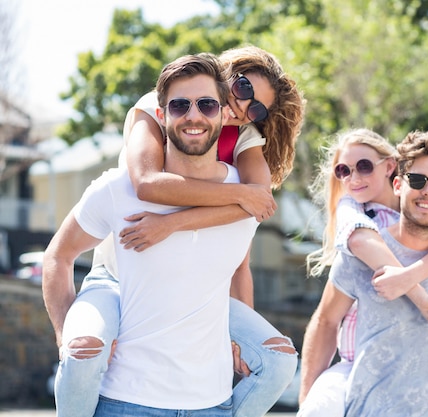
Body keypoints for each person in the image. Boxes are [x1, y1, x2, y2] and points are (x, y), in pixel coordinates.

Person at [50, 47, 304, 417]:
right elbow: (149, 183)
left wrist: (172, 223)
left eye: (257, 110)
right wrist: (240, 195)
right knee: (83, 352)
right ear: (227, 72)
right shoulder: (161, 105)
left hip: (195, 284)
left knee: (278, 360)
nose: (242, 107)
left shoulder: (244, 136)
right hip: (118, 274)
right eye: (244, 87)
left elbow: (250, 222)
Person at [299, 129, 428, 416]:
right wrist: (308, 401)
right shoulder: (359, 248)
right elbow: (325, 321)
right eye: (418, 180)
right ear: (398, 184)